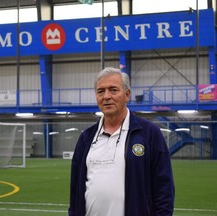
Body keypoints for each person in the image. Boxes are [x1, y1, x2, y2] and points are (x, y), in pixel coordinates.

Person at [68, 67, 175, 216]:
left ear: (127, 94)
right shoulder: (86, 137)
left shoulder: (149, 133)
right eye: (100, 91)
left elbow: (164, 187)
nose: (106, 96)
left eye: (113, 90)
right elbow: (75, 191)